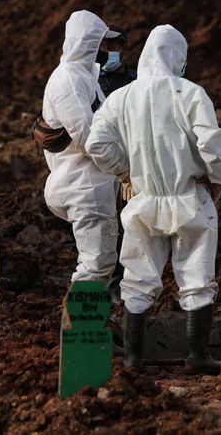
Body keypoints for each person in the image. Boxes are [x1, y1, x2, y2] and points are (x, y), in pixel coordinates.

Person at [86, 24, 221, 374]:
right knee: (197, 277)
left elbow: (96, 145)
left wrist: (126, 174)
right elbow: (211, 146)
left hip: (143, 202)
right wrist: (220, 180)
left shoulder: (122, 97)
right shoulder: (190, 94)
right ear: (177, 58)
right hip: (189, 199)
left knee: (136, 279)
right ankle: (197, 356)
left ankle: (135, 358)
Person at [41, 10, 122, 284]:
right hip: (83, 187)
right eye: (101, 43)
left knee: (101, 263)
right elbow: (89, 138)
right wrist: (125, 169)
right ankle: (79, 327)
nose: (106, 50)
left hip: (93, 185)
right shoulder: (69, 80)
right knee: (95, 265)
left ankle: (91, 325)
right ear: (87, 43)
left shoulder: (85, 77)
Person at [96, 25, 137, 304]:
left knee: (128, 221)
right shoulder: (94, 82)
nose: (112, 52)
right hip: (104, 161)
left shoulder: (136, 80)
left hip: (132, 160)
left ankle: (119, 281)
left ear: (124, 47)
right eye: (106, 47)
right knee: (106, 221)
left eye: (116, 46)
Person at [98, 25, 136, 98]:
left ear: (124, 48)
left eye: (110, 45)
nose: (105, 50)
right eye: (102, 45)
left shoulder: (137, 80)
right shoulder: (93, 79)